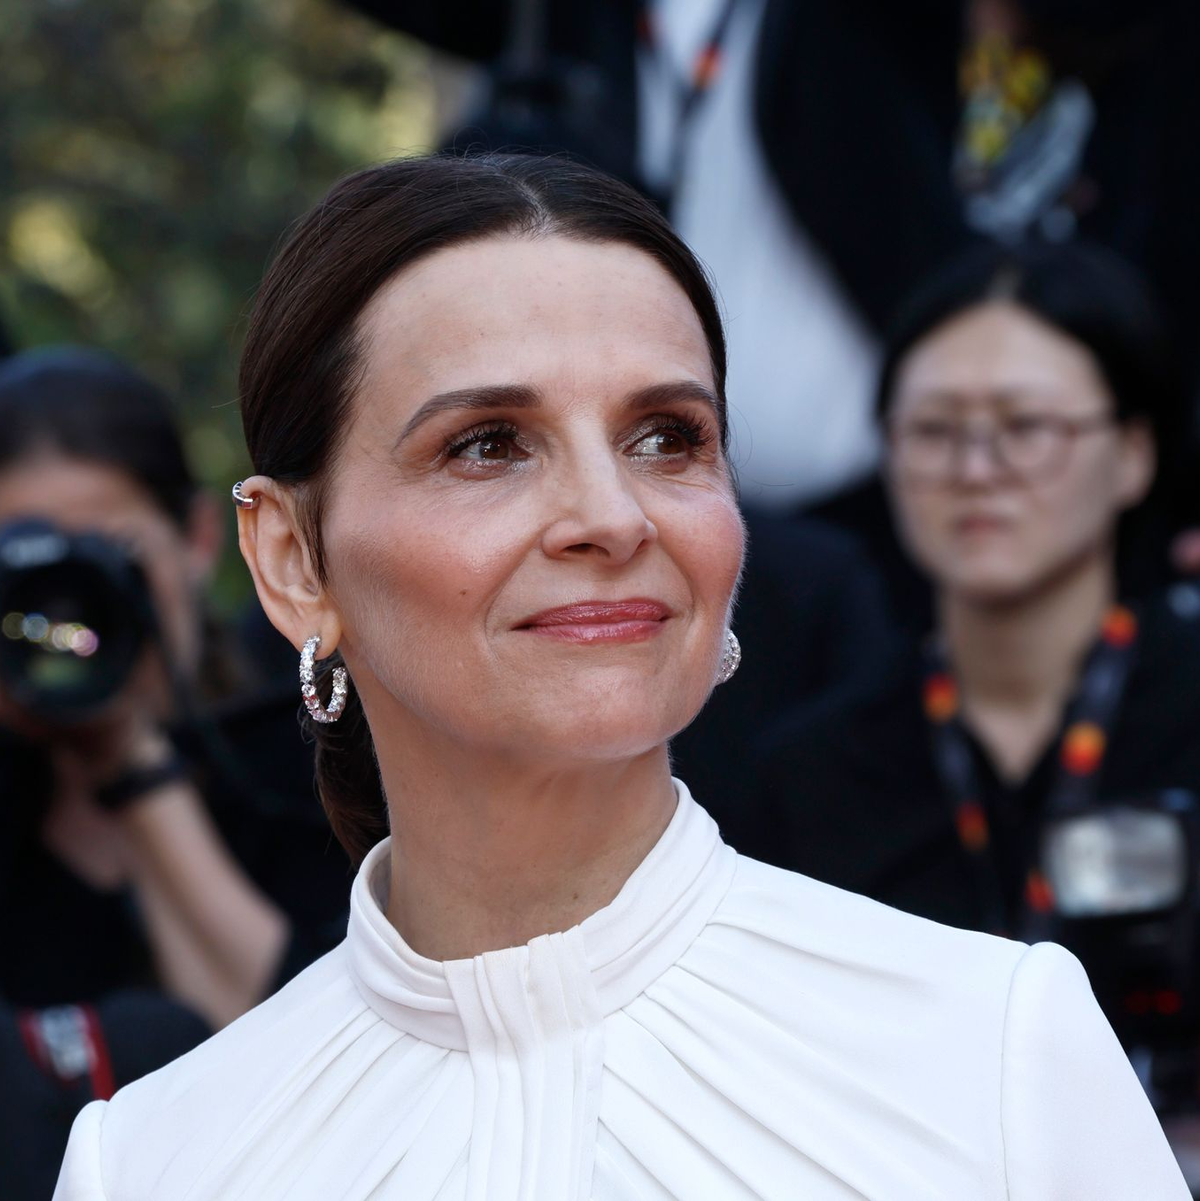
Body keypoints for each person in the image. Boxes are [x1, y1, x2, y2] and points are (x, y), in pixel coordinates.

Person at [55, 154, 1186, 1199]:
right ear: (293, 559)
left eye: (666, 437)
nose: (610, 515)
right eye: (488, 443)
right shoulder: (153, 1157)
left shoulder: (992, 1046)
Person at [755, 242, 1200, 1117]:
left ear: (1134, 454)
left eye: (1027, 426)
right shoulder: (813, 772)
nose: (976, 468)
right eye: (934, 429)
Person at [0, 349, 350, 1196]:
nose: (67, 612)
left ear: (199, 540)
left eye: (106, 556)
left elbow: (300, 1082)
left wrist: (131, 761)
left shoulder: (320, 749)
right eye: (27, 574)